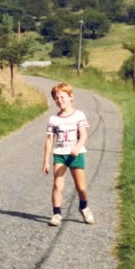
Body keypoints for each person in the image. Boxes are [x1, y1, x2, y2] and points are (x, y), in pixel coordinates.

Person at [42, 81, 95, 227]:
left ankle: (84, 207)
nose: (60, 101)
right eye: (57, 98)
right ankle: (56, 213)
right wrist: (46, 160)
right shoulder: (53, 119)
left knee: (81, 187)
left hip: (76, 155)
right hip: (60, 155)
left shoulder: (79, 115)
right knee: (58, 185)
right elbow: (49, 140)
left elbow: (83, 135)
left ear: (71, 97)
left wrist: (77, 147)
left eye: (63, 97)